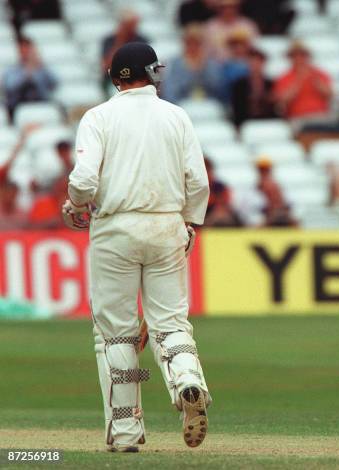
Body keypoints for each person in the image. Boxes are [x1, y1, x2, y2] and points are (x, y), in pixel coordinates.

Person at [64, 42, 211, 452]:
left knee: (117, 337)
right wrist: (188, 222)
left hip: (116, 229)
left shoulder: (99, 117)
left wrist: (74, 204)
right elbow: (198, 182)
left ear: (115, 78)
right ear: (155, 73)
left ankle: (126, 432)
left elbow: (84, 181)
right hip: (167, 225)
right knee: (171, 324)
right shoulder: (176, 116)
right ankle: (187, 381)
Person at [273, 40, 334, 130]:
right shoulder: (284, 77)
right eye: (295, 56)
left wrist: (315, 80)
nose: (299, 59)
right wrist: (298, 80)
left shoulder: (319, 74)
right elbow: (283, 100)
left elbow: (330, 94)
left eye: (302, 55)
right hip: (297, 118)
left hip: (319, 116)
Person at [162, 25, 224, 104]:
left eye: (196, 43)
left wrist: (202, 69)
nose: (193, 47)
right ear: (184, 43)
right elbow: (170, 90)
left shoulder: (211, 63)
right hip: (182, 103)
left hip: (208, 102)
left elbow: (218, 88)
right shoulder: (176, 63)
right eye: (189, 43)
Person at [2, 36, 57, 122]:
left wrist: (41, 66)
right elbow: (10, 87)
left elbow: (54, 83)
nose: (25, 52)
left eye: (27, 48)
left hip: (41, 106)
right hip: (18, 108)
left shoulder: (42, 69)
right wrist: (28, 72)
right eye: (22, 49)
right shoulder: (12, 70)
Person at [100, 9, 148, 94]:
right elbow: (107, 66)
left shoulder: (142, 40)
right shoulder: (109, 40)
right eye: (130, 25)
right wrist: (120, 40)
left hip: (138, 81)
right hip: (114, 81)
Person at [231, 46, 276, 126]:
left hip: (268, 122)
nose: (255, 66)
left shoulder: (270, 84)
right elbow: (237, 109)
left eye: (258, 62)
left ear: (263, 63)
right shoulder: (239, 85)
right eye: (252, 62)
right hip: (246, 122)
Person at [202, 157, 243, 227]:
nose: (206, 173)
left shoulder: (220, 187)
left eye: (207, 170)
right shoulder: (193, 189)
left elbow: (224, 205)